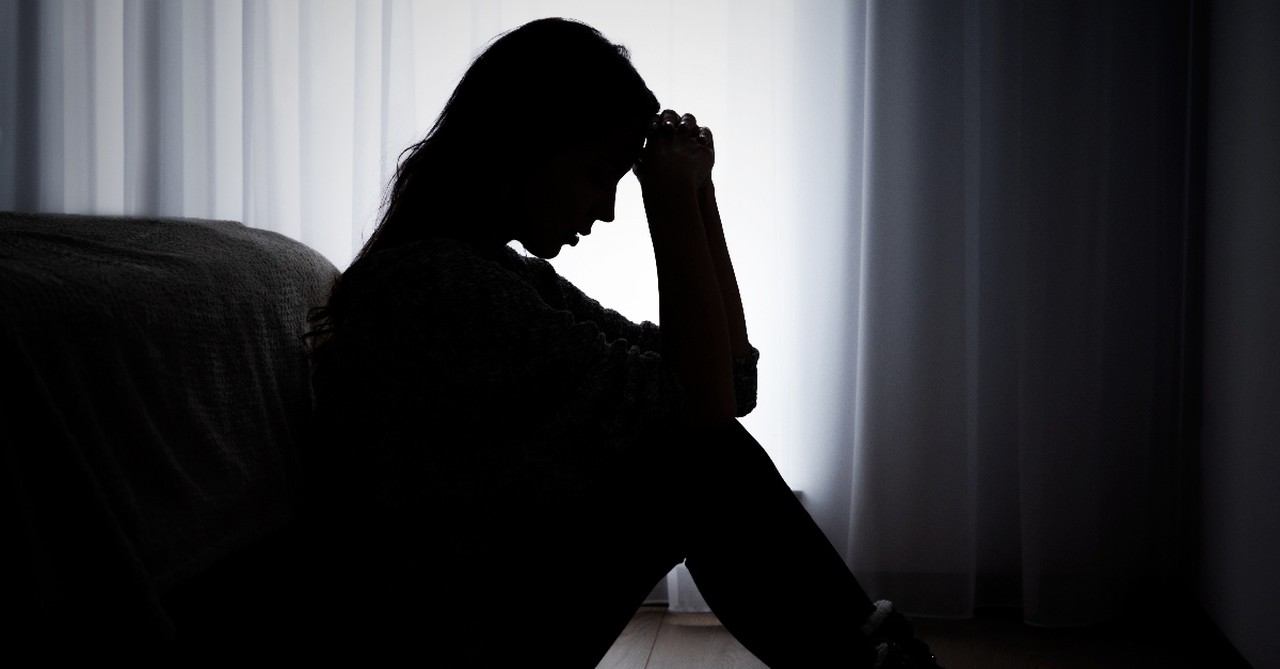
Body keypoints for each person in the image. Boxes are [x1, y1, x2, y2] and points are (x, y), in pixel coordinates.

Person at [303, 17, 942, 668]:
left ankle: (872, 658)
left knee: (700, 455)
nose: (607, 210)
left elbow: (728, 383)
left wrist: (698, 196)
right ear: (524, 146)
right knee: (697, 464)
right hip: (441, 636)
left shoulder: (501, 277)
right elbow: (706, 407)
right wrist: (669, 208)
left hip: (484, 603)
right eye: (595, 174)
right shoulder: (439, 287)